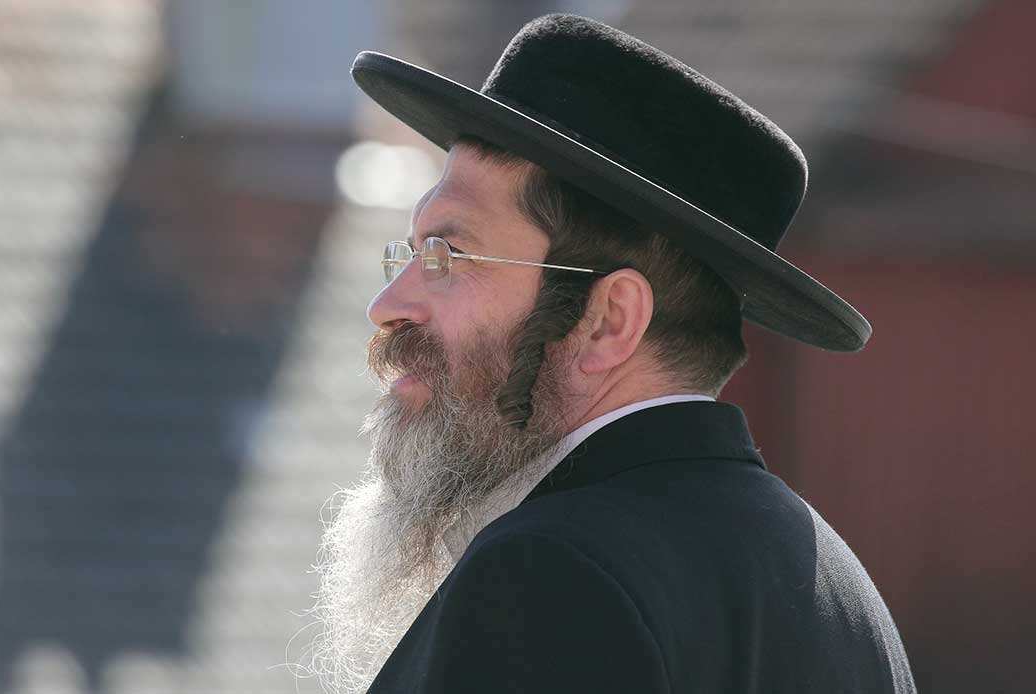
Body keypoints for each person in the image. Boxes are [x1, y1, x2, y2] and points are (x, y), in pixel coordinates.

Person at [305, 13, 915, 694]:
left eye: (448, 254)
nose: (388, 305)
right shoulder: (836, 588)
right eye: (412, 252)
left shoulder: (549, 574)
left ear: (608, 320)